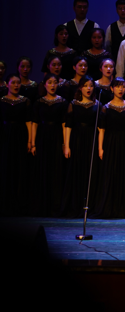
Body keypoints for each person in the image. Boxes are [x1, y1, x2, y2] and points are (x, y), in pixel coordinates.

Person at [94, 77, 125, 218]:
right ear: (112, 89)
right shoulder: (106, 108)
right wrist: (100, 148)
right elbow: (102, 130)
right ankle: (109, 207)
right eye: (117, 86)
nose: (120, 89)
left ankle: (124, 207)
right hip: (110, 142)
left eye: (123, 86)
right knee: (110, 173)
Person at [61, 76, 101, 218]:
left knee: (91, 173)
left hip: (91, 140)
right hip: (77, 140)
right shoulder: (73, 104)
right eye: (85, 85)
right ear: (80, 88)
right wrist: (66, 145)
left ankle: (90, 206)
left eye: (91, 85)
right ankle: (75, 205)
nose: (88, 88)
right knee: (77, 172)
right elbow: (68, 126)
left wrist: (100, 147)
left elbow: (100, 128)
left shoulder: (97, 105)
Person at [30, 73, 69, 216]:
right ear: (45, 84)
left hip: (57, 136)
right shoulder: (38, 102)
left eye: (55, 82)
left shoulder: (63, 102)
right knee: (43, 169)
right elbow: (34, 123)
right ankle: (42, 206)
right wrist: (32, 143)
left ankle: (55, 206)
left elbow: (64, 124)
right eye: (50, 82)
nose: (53, 85)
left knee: (56, 170)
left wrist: (65, 143)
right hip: (42, 137)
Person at [0, 73, 33, 216]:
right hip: (5, 135)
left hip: (20, 135)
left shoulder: (25, 101)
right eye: (13, 82)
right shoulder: (1, 101)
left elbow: (28, 121)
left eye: (18, 83)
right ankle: (5, 203)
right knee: (5, 167)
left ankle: (19, 204)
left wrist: (30, 141)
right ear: (7, 84)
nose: (16, 85)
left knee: (19, 168)